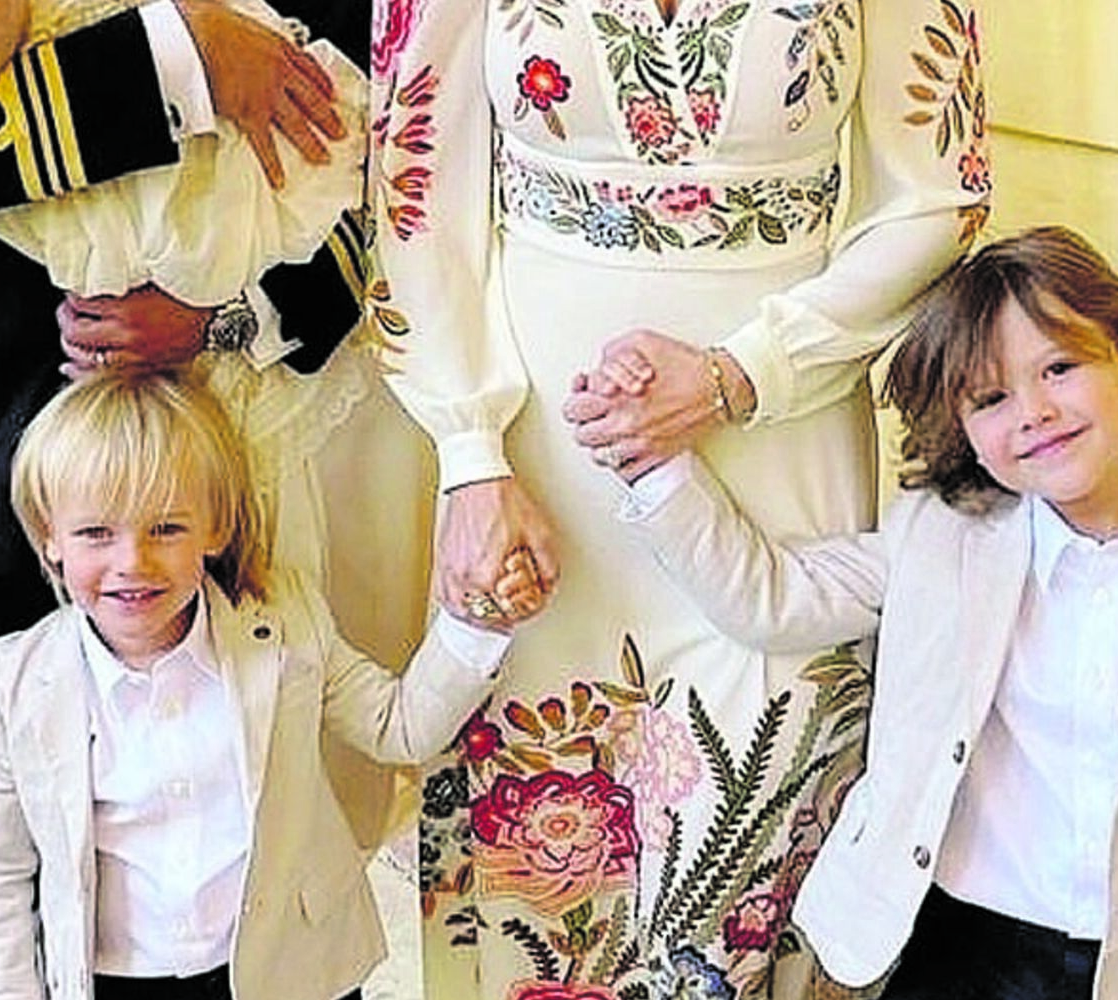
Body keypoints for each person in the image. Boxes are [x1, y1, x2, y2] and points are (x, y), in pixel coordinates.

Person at [370, 1, 990, 996]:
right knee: (547, 871)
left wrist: (739, 373)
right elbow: (414, 188)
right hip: (546, 468)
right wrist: (468, 450)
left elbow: (940, 201)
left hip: (784, 442)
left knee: (762, 819)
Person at [0, 2, 362, 997]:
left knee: (263, 844)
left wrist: (233, 314)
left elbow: (376, 115)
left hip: (227, 447)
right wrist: (182, 58)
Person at [607, 226, 1118, 999]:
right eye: (992, 398)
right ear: (965, 431)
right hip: (948, 945)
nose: (1034, 412)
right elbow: (772, 600)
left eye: (1061, 368)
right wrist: (649, 461)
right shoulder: (940, 539)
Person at [0, 369, 540, 1000]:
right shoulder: (13, 679)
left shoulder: (285, 623)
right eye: (96, 533)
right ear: (50, 538)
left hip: (291, 973)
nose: (132, 563)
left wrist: (478, 623)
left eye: (166, 529)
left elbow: (398, 728)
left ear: (214, 529)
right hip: (119, 979)